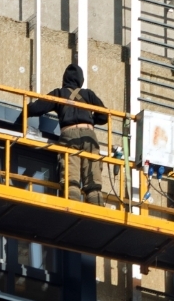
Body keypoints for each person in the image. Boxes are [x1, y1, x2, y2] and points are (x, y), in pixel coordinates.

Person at [21, 64, 112, 203]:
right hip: (89, 136)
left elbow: (36, 108)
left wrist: (24, 112)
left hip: (69, 135)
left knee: (71, 181)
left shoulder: (59, 93)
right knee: (93, 182)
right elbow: (105, 116)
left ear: (64, 79)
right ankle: (97, 205)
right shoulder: (88, 94)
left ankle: (72, 205)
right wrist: (90, 121)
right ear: (81, 80)